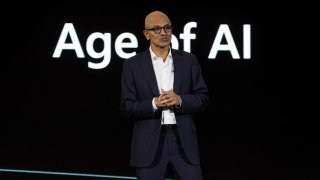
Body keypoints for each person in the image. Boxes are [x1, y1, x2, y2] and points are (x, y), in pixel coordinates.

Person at [120, 10, 209, 180]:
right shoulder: (132, 65)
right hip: (149, 145)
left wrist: (180, 100)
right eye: (157, 29)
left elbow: (202, 98)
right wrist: (154, 103)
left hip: (183, 143)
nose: (163, 33)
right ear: (147, 34)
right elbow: (127, 106)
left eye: (167, 28)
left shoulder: (189, 60)